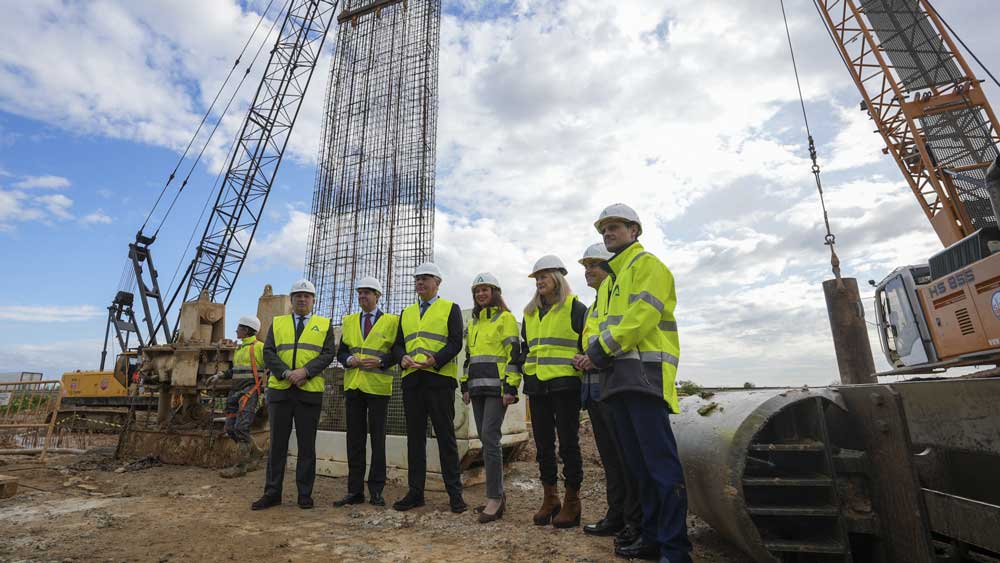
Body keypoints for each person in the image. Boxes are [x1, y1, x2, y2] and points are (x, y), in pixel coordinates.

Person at [577, 204, 692, 563]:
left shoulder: (648, 267)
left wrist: (599, 350)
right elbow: (608, 327)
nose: (608, 233)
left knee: (660, 467)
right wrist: (599, 353)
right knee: (639, 469)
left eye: (614, 227)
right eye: (604, 230)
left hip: (645, 378)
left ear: (634, 231)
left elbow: (641, 318)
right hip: (617, 381)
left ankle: (675, 549)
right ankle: (652, 539)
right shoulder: (611, 280)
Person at [576, 244, 643, 547]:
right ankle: (616, 515)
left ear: (609, 267)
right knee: (611, 460)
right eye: (586, 266)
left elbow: (619, 338)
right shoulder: (594, 305)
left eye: (594, 265)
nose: (588, 271)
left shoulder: (617, 297)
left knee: (626, 458)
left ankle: (634, 521)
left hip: (614, 386)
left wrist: (594, 356)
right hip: (593, 388)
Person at [389, 262, 468, 514]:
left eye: (425, 278)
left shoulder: (450, 309)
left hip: (438, 381)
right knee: (415, 439)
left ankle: (455, 494)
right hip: (412, 381)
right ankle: (416, 492)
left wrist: (436, 360)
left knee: (446, 437)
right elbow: (398, 345)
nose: (420, 282)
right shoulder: (407, 312)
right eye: (417, 279)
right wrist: (401, 357)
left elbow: (455, 342)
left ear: (438, 282)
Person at [253, 279, 337, 511]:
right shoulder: (278, 323)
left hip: (308, 392)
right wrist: (286, 373)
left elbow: (328, 353)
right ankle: (272, 493)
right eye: (298, 295)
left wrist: (305, 372)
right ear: (291, 300)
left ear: (313, 300)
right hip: (281, 392)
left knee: (306, 446)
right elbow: (268, 352)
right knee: (277, 445)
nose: (302, 299)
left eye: (306, 296)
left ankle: (304, 494)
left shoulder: (323, 324)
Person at [521, 255, 588, 528]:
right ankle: (550, 499)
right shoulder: (530, 313)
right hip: (537, 386)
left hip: (565, 386)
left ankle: (573, 501)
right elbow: (527, 348)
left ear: (558, 279)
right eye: (537, 278)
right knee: (543, 445)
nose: (539, 281)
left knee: (569, 444)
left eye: (544, 276)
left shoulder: (576, 308)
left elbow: (587, 344)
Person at [460, 272, 521, 523]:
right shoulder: (473, 323)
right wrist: (464, 385)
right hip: (476, 389)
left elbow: (514, 355)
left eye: (485, 290)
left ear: (495, 292)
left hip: (497, 389)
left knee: (489, 438)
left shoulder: (505, 318)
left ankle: (495, 498)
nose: (481, 294)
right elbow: (469, 358)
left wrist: (511, 388)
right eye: (477, 291)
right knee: (487, 442)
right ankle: (495, 497)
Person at [333, 276, 399, 508]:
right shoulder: (349, 320)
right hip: (354, 387)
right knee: (355, 441)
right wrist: (348, 359)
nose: (363, 297)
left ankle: (376, 491)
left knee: (377, 441)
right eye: (360, 293)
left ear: (377, 296)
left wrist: (382, 361)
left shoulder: (392, 321)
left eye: (367, 293)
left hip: (378, 388)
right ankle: (354, 491)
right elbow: (341, 351)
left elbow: (397, 351)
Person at [208, 315, 266, 479]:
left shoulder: (260, 348)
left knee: (241, 428)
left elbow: (270, 366)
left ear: (246, 330)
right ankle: (256, 453)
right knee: (230, 428)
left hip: (249, 392)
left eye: (239, 328)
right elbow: (236, 370)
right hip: (235, 393)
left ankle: (241, 466)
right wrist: (220, 375)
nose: (236, 330)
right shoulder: (240, 349)